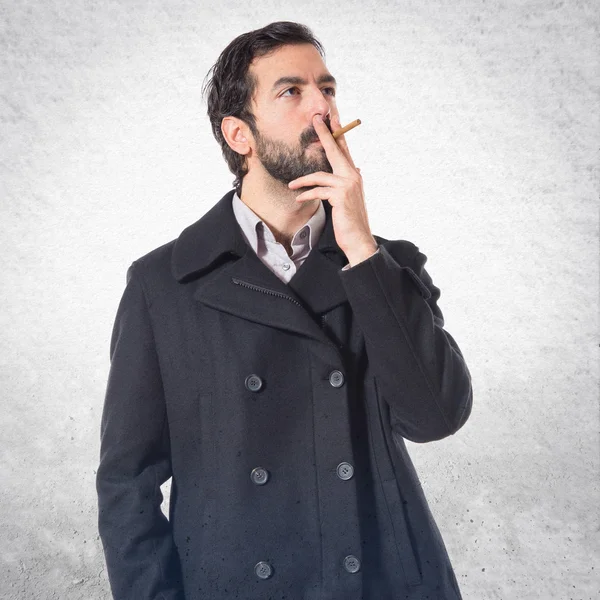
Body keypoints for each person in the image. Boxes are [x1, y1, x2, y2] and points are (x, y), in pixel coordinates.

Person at [96, 20, 473, 600]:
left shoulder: (385, 266)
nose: (322, 106)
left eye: (327, 88)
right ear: (239, 135)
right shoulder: (162, 284)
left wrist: (361, 246)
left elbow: (436, 418)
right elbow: (128, 481)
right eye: (291, 91)